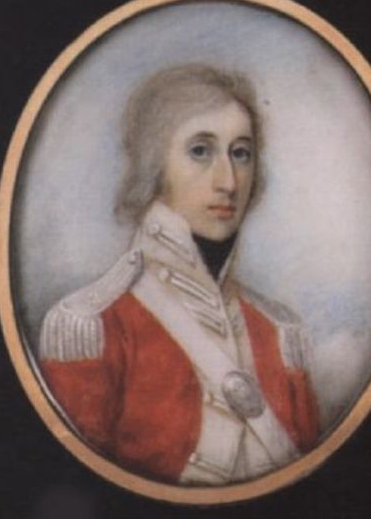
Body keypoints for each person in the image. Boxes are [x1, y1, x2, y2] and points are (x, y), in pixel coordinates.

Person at [38, 64, 319, 486]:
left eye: (240, 153)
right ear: (155, 165)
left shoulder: (280, 331)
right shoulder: (92, 324)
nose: (228, 181)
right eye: (200, 151)